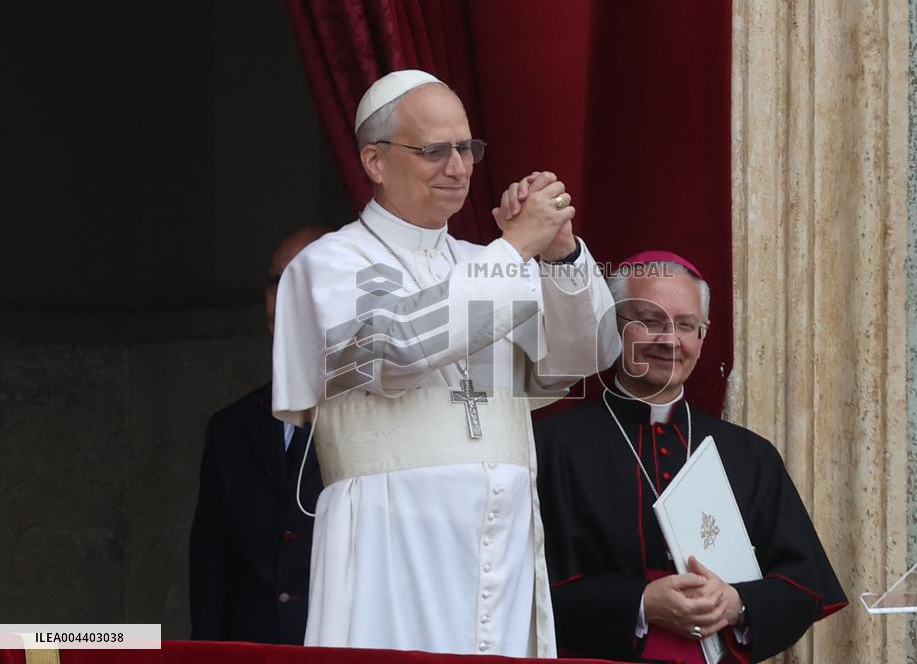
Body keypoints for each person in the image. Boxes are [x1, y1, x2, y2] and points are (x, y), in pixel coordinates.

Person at [271, 69, 620, 656]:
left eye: (466, 149)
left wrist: (559, 255)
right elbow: (395, 349)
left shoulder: (484, 262)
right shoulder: (330, 263)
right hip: (390, 541)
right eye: (434, 151)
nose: (457, 168)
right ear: (375, 161)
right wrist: (516, 249)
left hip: (500, 546)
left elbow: (584, 355)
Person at [535, 251, 847, 663]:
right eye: (649, 321)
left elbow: (804, 584)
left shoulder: (749, 454)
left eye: (686, 325)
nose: (670, 340)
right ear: (614, 327)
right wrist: (641, 604)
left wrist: (734, 603)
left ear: (702, 336)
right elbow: (525, 588)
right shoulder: (551, 444)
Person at [189, 225, 328, 644]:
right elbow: (213, 576)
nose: (285, 298)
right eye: (275, 283)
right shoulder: (230, 429)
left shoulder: (390, 416)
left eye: (304, 281)